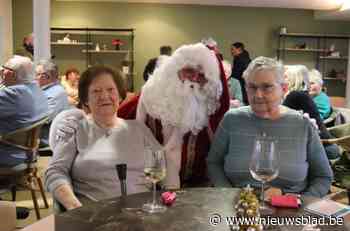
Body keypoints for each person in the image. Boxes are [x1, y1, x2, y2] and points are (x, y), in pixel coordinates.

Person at [207, 56, 333, 198]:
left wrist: (301, 202)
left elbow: (323, 177)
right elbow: (213, 162)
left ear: (283, 88)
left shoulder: (302, 125)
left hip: (290, 212)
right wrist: (228, 195)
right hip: (237, 208)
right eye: (252, 87)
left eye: (267, 87)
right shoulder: (232, 119)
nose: (258, 95)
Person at [45, 66, 161, 211]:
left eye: (111, 90)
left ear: (119, 96)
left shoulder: (138, 128)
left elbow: (161, 163)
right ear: (86, 99)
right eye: (96, 91)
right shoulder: (74, 129)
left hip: (143, 214)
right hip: (94, 218)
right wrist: (75, 207)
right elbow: (55, 172)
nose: (104, 96)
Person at [119, 43, 230, 189]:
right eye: (189, 71)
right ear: (174, 70)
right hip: (150, 188)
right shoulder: (148, 99)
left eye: (202, 76)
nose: (194, 79)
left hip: (199, 190)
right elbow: (116, 127)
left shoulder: (211, 109)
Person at [0, 55, 49, 168]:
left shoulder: (14, 93)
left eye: (4, 69)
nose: (1, 71)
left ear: (13, 74)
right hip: (28, 152)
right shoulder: (37, 89)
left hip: (9, 152)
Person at [283, 65, 339, 160]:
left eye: (286, 77)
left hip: (323, 149)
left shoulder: (295, 95)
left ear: (294, 79)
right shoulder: (302, 95)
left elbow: (279, 119)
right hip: (327, 147)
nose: (283, 80)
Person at [35, 60, 70, 145]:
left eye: (36, 74)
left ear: (46, 76)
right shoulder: (46, 90)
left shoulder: (56, 93)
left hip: (45, 138)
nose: (34, 78)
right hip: (37, 135)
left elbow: (44, 119)